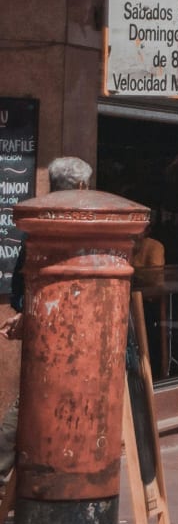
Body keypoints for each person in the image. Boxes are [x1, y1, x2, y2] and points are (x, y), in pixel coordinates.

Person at [3, 157, 97, 489]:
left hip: (47, 332)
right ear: (82, 186)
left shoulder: (37, 225)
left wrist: (28, 310)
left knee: (31, 401)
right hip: (85, 338)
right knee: (30, 405)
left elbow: (19, 287)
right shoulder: (91, 224)